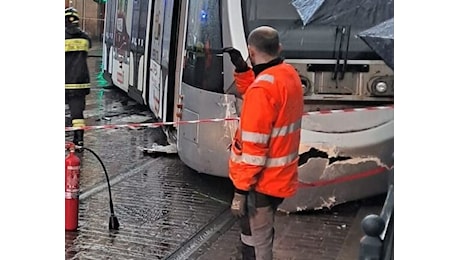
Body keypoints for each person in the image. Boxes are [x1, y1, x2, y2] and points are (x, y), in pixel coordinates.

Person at [223, 26, 304, 260]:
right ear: (279, 48)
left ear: (250, 50)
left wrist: (240, 190)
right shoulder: (287, 74)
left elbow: (254, 152)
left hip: (261, 183)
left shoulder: (262, 89)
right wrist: (243, 70)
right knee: (256, 236)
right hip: (280, 175)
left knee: (258, 244)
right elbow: (262, 96)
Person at [65, 7, 92, 148]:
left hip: (64, 81)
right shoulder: (85, 38)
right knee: (77, 115)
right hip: (80, 84)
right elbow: (89, 46)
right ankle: (79, 140)